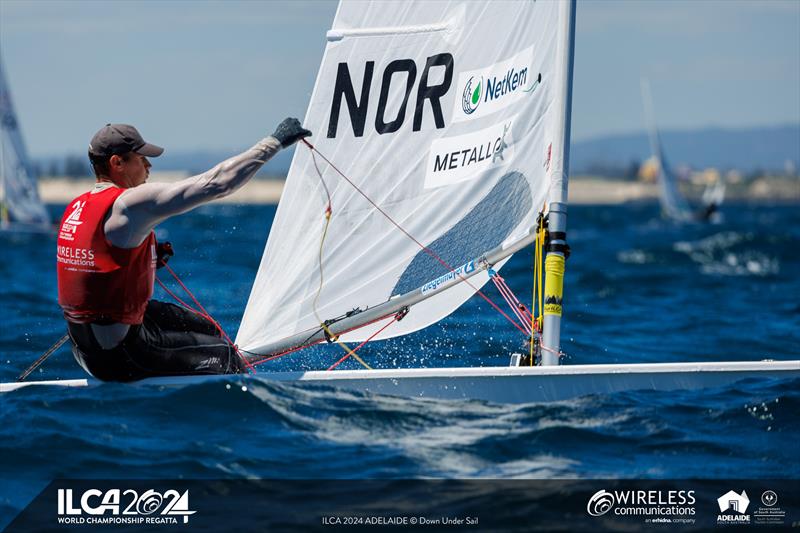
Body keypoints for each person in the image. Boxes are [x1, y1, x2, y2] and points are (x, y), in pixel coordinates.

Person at [56, 119, 311, 382]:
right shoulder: (128, 205)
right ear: (117, 163)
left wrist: (146, 257)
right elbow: (217, 183)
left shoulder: (78, 207)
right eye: (141, 159)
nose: (148, 165)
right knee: (225, 355)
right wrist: (274, 142)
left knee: (207, 328)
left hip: (85, 350)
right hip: (121, 355)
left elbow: (97, 265)